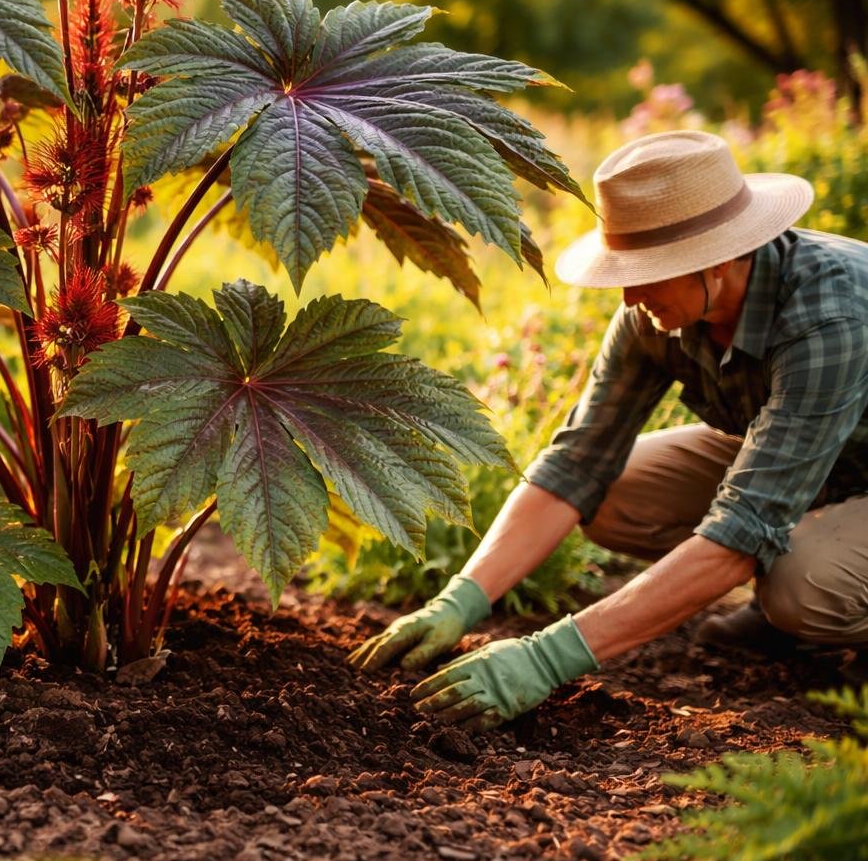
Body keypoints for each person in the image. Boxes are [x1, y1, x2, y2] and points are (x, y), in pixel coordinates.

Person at [350, 129, 868, 732]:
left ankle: (813, 613)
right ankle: (785, 606)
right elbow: (577, 465)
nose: (627, 292)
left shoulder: (828, 316)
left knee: (806, 585)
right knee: (615, 496)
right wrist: (462, 598)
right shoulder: (654, 314)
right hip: (829, 466)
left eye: (649, 271)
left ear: (721, 258)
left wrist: (547, 658)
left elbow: (747, 525)